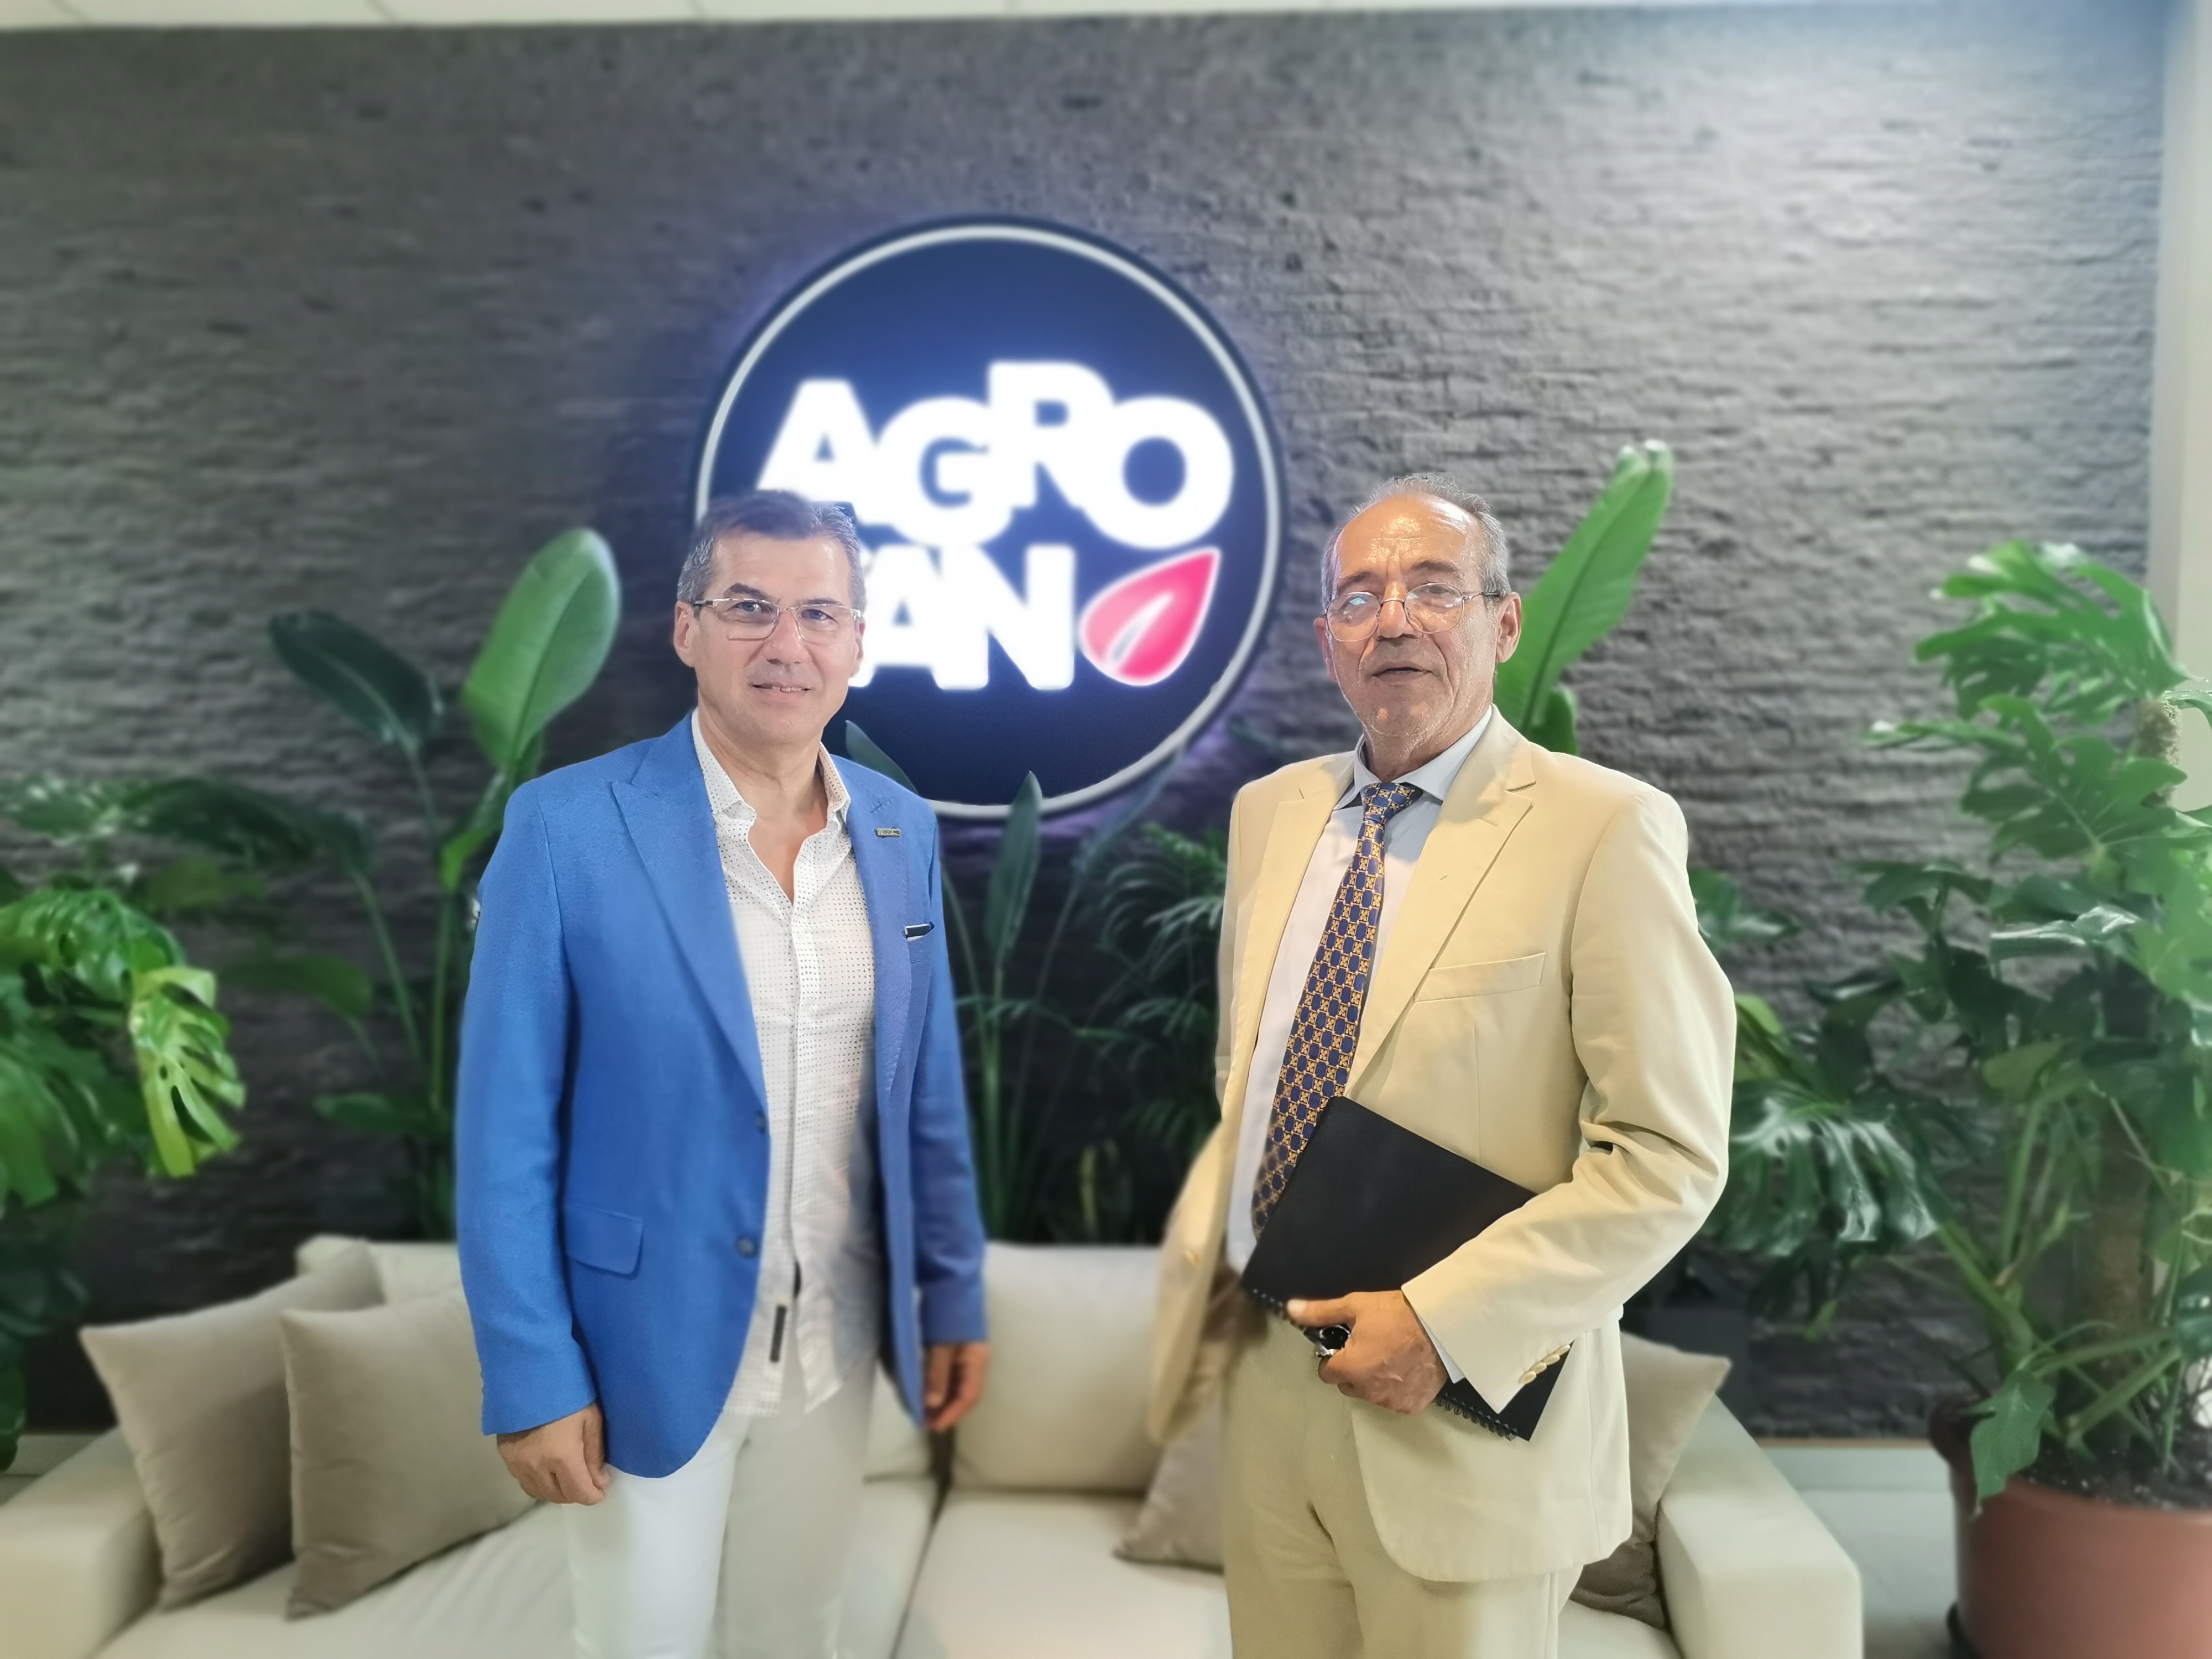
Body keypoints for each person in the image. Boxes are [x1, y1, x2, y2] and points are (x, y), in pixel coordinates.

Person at [1148, 475, 1734, 1658]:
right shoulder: (1271, 814)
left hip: (1461, 1408)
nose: (1395, 620)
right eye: (1360, 597)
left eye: (1433, 588)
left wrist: (1442, 1324)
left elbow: (1666, 1156)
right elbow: (1247, 1076)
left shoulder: (1602, 827)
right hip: (1271, 1389)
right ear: (1329, 639)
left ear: (1503, 623)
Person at [456, 491, 989, 1659]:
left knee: (796, 1635)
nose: (785, 644)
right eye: (749, 608)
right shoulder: (565, 827)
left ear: (857, 642)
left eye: (818, 614)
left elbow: (925, 1086)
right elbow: (504, 1133)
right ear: (686, 628)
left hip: (836, 1344)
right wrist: (531, 1373)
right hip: (640, 1347)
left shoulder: (897, 829)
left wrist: (952, 1294)